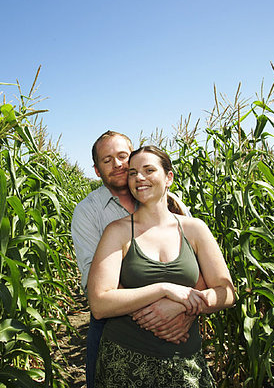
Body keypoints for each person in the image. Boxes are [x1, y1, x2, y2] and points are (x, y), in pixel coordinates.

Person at [87, 145, 236, 387]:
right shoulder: (117, 232)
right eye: (133, 173)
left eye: (149, 170)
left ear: (169, 178)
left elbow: (227, 292)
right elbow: (99, 304)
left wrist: (181, 306)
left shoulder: (194, 229)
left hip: (185, 361)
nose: (140, 178)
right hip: (125, 361)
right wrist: (164, 289)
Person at [71, 131, 195, 387]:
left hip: (177, 324)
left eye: (122, 157)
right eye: (107, 160)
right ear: (96, 171)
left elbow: (196, 266)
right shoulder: (88, 212)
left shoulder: (168, 202)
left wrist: (186, 310)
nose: (117, 164)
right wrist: (156, 311)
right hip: (113, 327)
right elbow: (94, 284)